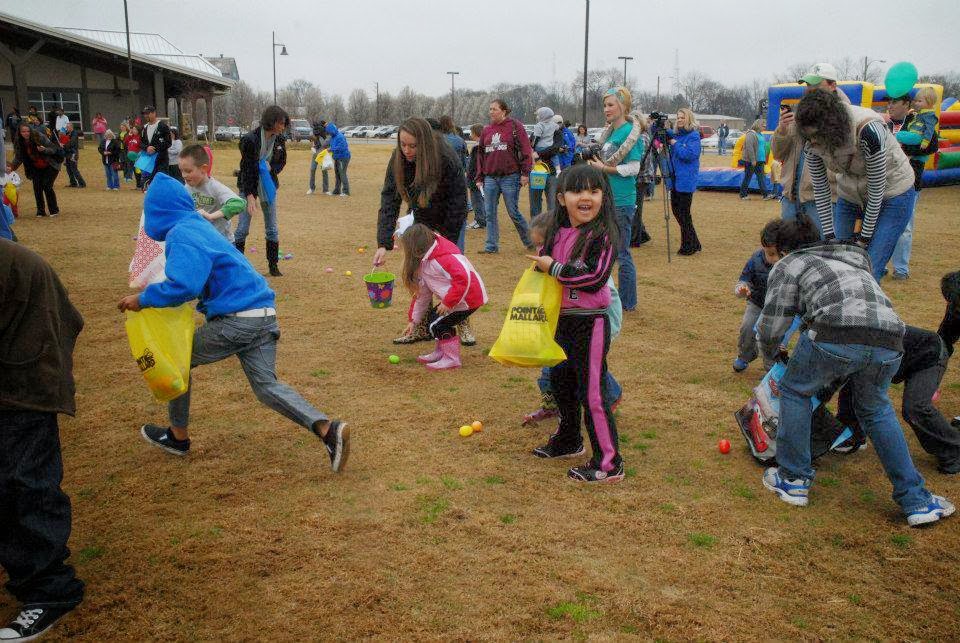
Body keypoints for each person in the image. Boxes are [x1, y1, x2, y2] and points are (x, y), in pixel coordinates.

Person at [117, 174, 351, 470]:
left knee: (178, 362)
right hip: (263, 315)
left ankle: (178, 437)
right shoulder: (197, 227)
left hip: (238, 321)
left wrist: (144, 299)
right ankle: (329, 430)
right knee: (266, 387)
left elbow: (184, 286)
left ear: (157, 212)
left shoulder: (182, 233)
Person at [756, 215, 954, 526]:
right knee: (876, 409)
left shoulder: (789, 264)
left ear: (783, 250)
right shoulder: (854, 258)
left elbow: (771, 327)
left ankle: (793, 479)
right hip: (891, 338)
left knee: (795, 391)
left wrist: (770, 360)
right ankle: (916, 500)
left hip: (834, 333)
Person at [0, 239, 85, 641]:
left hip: (26, 383)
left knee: (25, 484)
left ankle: (50, 591)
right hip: (25, 365)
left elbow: (67, 318)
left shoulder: (16, 264)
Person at [525, 164, 623, 483]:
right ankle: (569, 440)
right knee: (561, 384)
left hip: (590, 324)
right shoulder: (556, 233)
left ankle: (609, 463)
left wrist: (553, 268)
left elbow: (594, 279)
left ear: (603, 197)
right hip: (560, 321)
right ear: (561, 197)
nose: (586, 197)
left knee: (592, 392)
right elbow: (548, 269)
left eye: (594, 191)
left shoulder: (602, 236)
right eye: (577, 191)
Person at [796, 90, 916, 282]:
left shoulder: (869, 131)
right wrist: (829, 236)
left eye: (817, 135)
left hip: (893, 191)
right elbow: (821, 188)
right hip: (850, 192)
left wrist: (863, 240)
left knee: (869, 267)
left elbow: (877, 189)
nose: (813, 141)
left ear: (831, 127)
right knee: (836, 265)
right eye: (808, 137)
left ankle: (865, 306)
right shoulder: (809, 140)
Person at [373, 117, 472, 346]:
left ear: (424, 143)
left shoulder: (446, 157)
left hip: (449, 219)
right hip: (422, 217)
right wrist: (383, 242)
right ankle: (422, 327)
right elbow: (390, 198)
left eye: (413, 146)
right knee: (419, 274)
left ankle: (463, 321)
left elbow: (458, 203)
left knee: (452, 274)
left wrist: (444, 243)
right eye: (402, 145)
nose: (406, 150)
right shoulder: (398, 159)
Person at [523, 212, 623, 426]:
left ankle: (611, 395)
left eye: (542, 245)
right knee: (555, 366)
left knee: (585, 369)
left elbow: (604, 296)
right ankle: (553, 405)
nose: (540, 251)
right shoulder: (553, 263)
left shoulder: (582, 265)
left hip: (596, 323)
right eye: (536, 247)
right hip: (564, 322)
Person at [398, 223, 487, 371]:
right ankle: (442, 351)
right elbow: (422, 295)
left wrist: (448, 302)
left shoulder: (443, 258)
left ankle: (452, 358)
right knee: (435, 319)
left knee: (438, 325)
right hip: (457, 299)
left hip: (468, 298)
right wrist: (413, 321)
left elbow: (463, 278)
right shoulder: (424, 262)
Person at [587, 87, 644, 312]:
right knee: (602, 250)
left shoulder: (631, 132)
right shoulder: (610, 133)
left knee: (622, 253)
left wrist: (604, 169)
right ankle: (604, 295)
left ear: (623, 106)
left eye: (610, 105)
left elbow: (633, 168)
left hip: (621, 201)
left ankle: (628, 302)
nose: (606, 109)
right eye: (605, 105)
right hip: (604, 199)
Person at [884, 87, 940, 280]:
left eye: (894, 102)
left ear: (906, 104)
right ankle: (879, 265)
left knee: (905, 227)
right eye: (888, 102)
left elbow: (931, 146)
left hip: (910, 181)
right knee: (878, 225)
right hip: (882, 182)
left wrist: (903, 143)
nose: (889, 106)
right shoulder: (883, 124)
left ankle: (900, 270)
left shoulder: (920, 121)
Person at [475, 98, 535, 254]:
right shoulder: (487, 130)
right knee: (489, 213)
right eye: (490, 109)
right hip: (490, 178)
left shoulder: (515, 126)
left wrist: (525, 173)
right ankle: (491, 246)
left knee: (513, 212)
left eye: (494, 109)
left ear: (504, 111)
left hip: (511, 176)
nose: (491, 112)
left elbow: (527, 150)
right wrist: (480, 177)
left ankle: (530, 241)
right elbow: (481, 155)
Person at [235, 105, 290, 277]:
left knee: (272, 227)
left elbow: (282, 162)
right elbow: (246, 169)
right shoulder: (250, 140)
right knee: (242, 228)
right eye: (281, 123)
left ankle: (273, 266)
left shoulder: (279, 140)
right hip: (248, 185)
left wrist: (271, 168)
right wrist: (250, 196)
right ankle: (236, 267)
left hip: (268, 186)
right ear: (272, 122)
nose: (283, 127)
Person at [733, 219, 783, 373]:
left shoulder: (789, 265)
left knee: (772, 336)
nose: (775, 259)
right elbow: (744, 280)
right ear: (763, 247)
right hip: (756, 303)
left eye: (780, 254)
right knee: (747, 328)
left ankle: (771, 364)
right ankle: (745, 355)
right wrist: (742, 289)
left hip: (777, 309)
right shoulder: (755, 260)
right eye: (771, 254)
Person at [179, 144, 247, 242]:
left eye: (188, 171)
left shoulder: (215, 188)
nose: (184, 175)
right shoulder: (186, 188)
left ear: (203, 169)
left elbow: (239, 203)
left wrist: (211, 216)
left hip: (221, 244)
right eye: (181, 171)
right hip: (200, 242)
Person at [7, 123, 61, 217]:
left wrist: (44, 150)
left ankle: (54, 210)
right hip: (35, 167)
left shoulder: (39, 137)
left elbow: (53, 148)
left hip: (50, 164)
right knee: (37, 188)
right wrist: (11, 168)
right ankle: (40, 211)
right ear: (19, 133)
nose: (26, 133)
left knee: (47, 186)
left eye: (28, 131)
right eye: (23, 131)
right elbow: (19, 158)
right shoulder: (19, 142)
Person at [669, 108, 702, 255]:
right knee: (677, 211)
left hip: (686, 180)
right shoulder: (676, 135)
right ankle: (694, 243)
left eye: (682, 117)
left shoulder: (693, 136)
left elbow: (688, 154)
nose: (679, 120)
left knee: (683, 213)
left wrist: (675, 144)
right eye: (678, 117)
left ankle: (688, 245)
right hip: (675, 178)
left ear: (688, 119)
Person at [528, 106, 562, 218]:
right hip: (536, 172)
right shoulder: (536, 131)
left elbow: (555, 148)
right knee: (535, 203)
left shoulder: (556, 132)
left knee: (552, 203)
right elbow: (529, 147)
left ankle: (552, 227)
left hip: (551, 172)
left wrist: (538, 154)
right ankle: (535, 227)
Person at [140, 106, 172, 186]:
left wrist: (155, 149)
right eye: (145, 114)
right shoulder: (144, 128)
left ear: (154, 113)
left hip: (161, 160)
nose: (146, 116)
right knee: (150, 182)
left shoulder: (162, 126)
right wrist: (147, 147)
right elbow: (141, 143)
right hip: (148, 160)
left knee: (162, 182)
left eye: (148, 113)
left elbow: (168, 142)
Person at [739, 120, 770, 200]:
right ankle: (743, 194)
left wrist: (765, 158)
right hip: (751, 161)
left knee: (761, 178)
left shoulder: (761, 135)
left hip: (760, 160)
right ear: (758, 125)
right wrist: (753, 160)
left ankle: (765, 195)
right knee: (748, 177)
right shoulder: (751, 134)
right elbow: (749, 148)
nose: (765, 127)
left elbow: (763, 147)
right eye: (763, 125)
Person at [465, 124, 485, 230]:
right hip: (477, 178)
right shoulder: (480, 146)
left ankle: (480, 220)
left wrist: (473, 177)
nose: (470, 134)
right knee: (479, 200)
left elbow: (475, 165)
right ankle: (481, 219)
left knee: (476, 200)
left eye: (472, 132)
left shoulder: (478, 148)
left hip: (475, 179)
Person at [325, 122, 351, 196]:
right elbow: (327, 143)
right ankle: (337, 190)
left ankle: (346, 191)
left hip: (343, 157)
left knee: (342, 174)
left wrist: (331, 149)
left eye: (330, 132)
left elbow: (342, 147)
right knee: (337, 174)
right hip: (337, 157)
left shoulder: (340, 137)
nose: (329, 134)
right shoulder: (332, 137)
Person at [306, 121, 331, 195]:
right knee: (313, 169)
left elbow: (325, 144)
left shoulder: (325, 134)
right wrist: (313, 146)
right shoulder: (314, 133)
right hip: (315, 153)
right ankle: (311, 188)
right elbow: (312, 140)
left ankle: (325, 190)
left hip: (322, 153)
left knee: (324, 170)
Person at [62, 123, 86, 189]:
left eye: (68, 127)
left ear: (71, 127)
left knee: (74, 169)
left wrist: (64, 145)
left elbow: (71, 143)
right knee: (68, 169)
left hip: (73, 153)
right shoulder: (67, 133)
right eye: (66, 127)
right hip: (67, 153)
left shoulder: (74, 134)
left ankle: (82, 183)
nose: (66, 128)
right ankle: (73, 183)